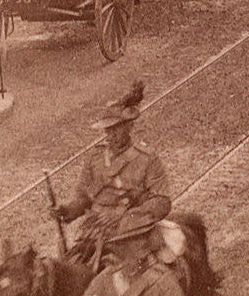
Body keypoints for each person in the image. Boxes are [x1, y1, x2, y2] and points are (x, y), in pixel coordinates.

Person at [56, 82, 171, 262]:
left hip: (132, 233)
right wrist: (68, 210)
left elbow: (162, 202)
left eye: (116, 129)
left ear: (129, 126)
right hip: (95, 230)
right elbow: (84, 196)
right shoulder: (95, 157)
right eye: (107, 130)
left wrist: (124, 215)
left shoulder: (147, 159)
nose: (110, 135)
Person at [63, 214, 200, 296]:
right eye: (126, 243)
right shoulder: (105, 278)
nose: (136, 246)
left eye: (139, 241)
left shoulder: (161, 280)